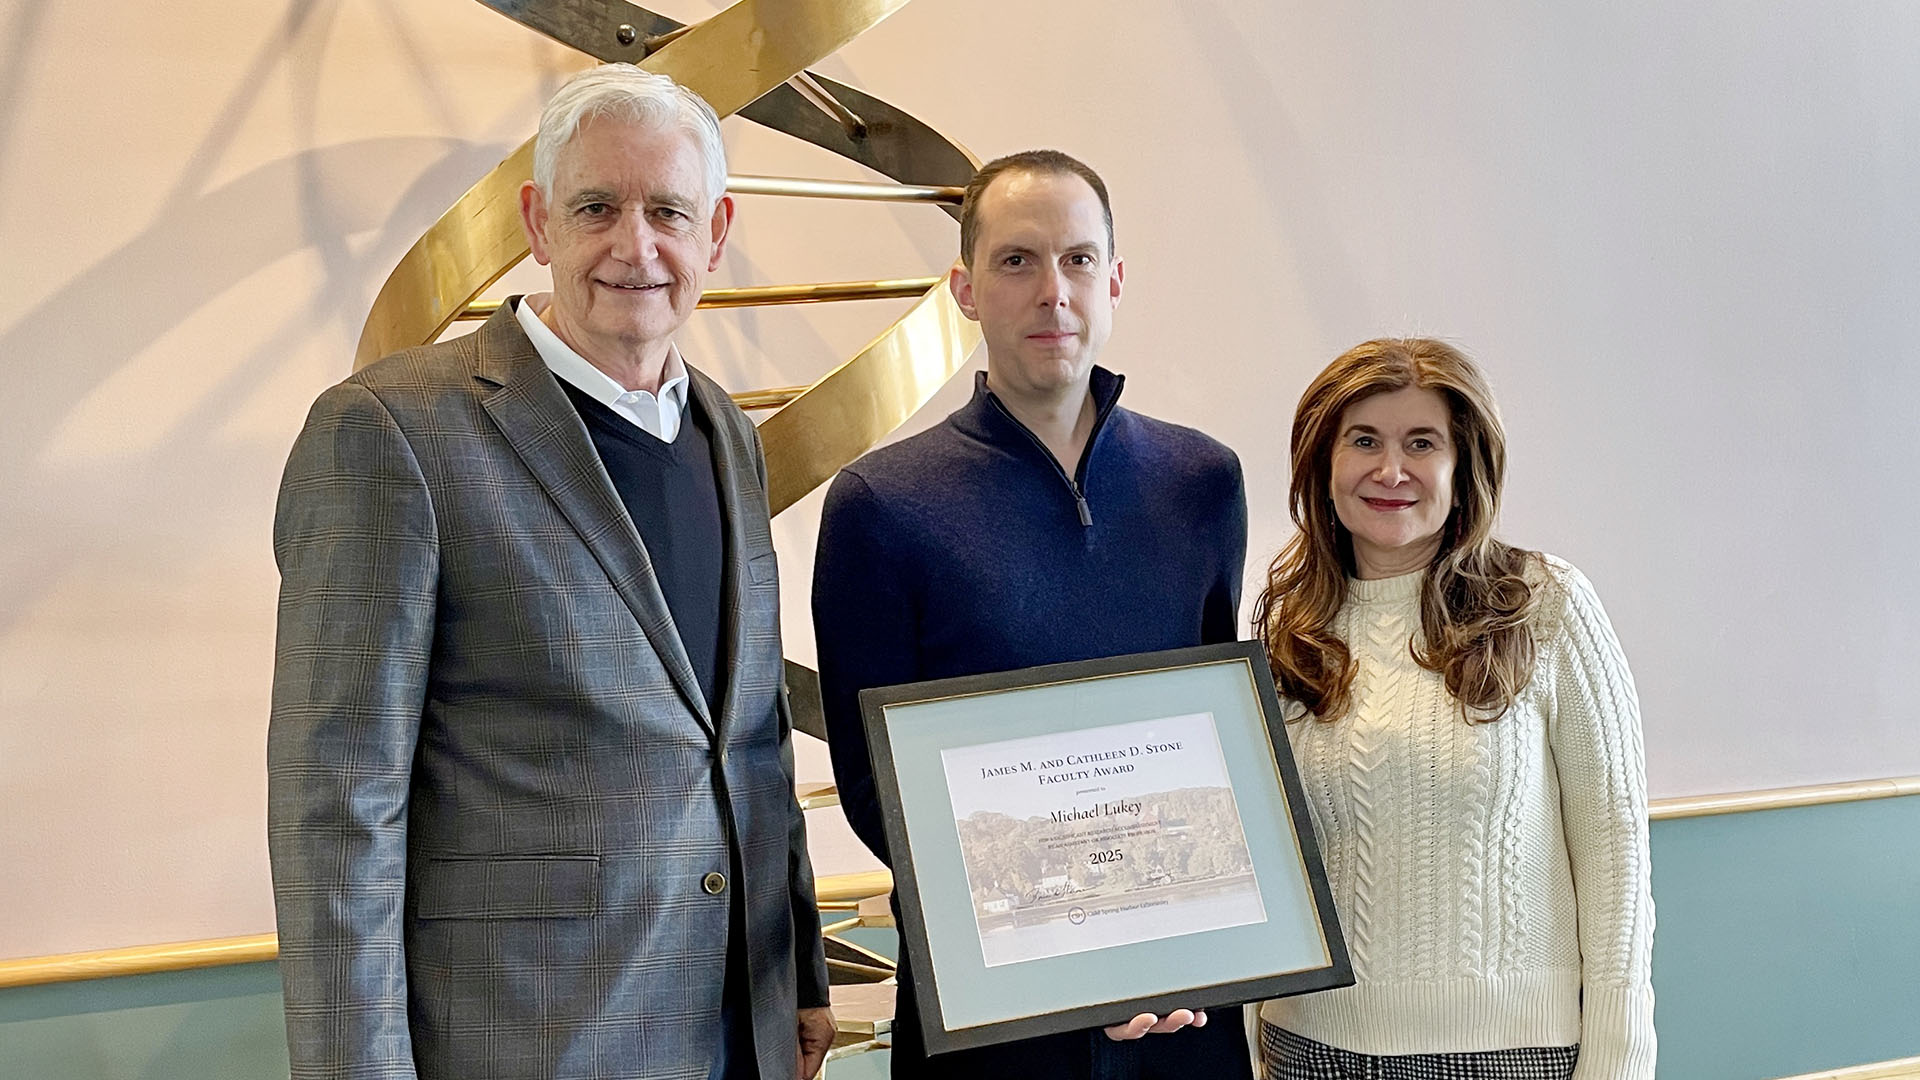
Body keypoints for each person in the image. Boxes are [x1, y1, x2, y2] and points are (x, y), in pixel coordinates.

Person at [267, 64, 832, 1080]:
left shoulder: (727, 436)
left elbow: (751, 742)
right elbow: (339, 812)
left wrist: (798, 976)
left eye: (668, 210)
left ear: (716, 230)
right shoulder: (393, 433)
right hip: (522, 1046)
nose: (635, 245)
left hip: (728, 1031)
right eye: (595, 207)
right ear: (536, 222)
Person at [811, 149, 1255, 1080]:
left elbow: (1219, 736)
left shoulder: (1202, 483)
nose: (1053, 291)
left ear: (1115, 279)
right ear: (965, 289)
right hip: (992, 1015)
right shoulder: (881, 504)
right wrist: (1074, 957)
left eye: (1078, 259)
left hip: (1179, 1004)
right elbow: (874, 788)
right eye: (1017, 261)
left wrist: (1171, 942)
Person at [1251, 339, 1655, 1079]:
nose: (1391, 470)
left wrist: (1619, 1057)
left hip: (1507, 1056)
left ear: (1463, 468)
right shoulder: (1288, 628)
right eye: (1364, 440)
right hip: (1309, 1051)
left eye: (1421, 443)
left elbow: (1615, 849)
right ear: (1323, 462)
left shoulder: (1545, 603)